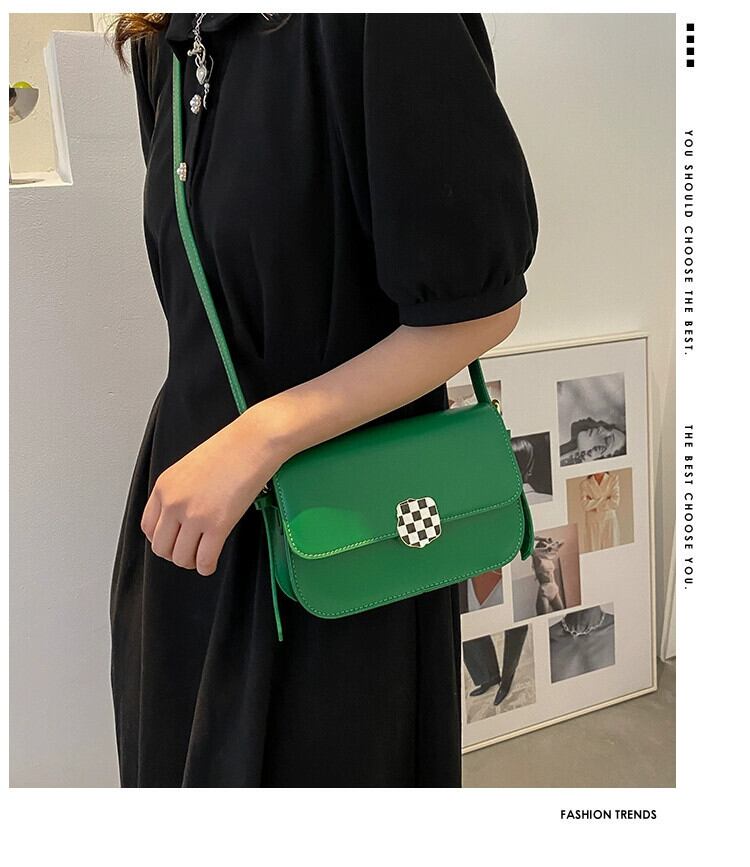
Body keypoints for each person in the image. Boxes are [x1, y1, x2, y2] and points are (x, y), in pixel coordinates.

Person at [107, 12, 538, 787]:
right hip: (191, 521)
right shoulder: (160, 43)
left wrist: (261, 436)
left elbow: (479, 308)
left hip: (344, 535)